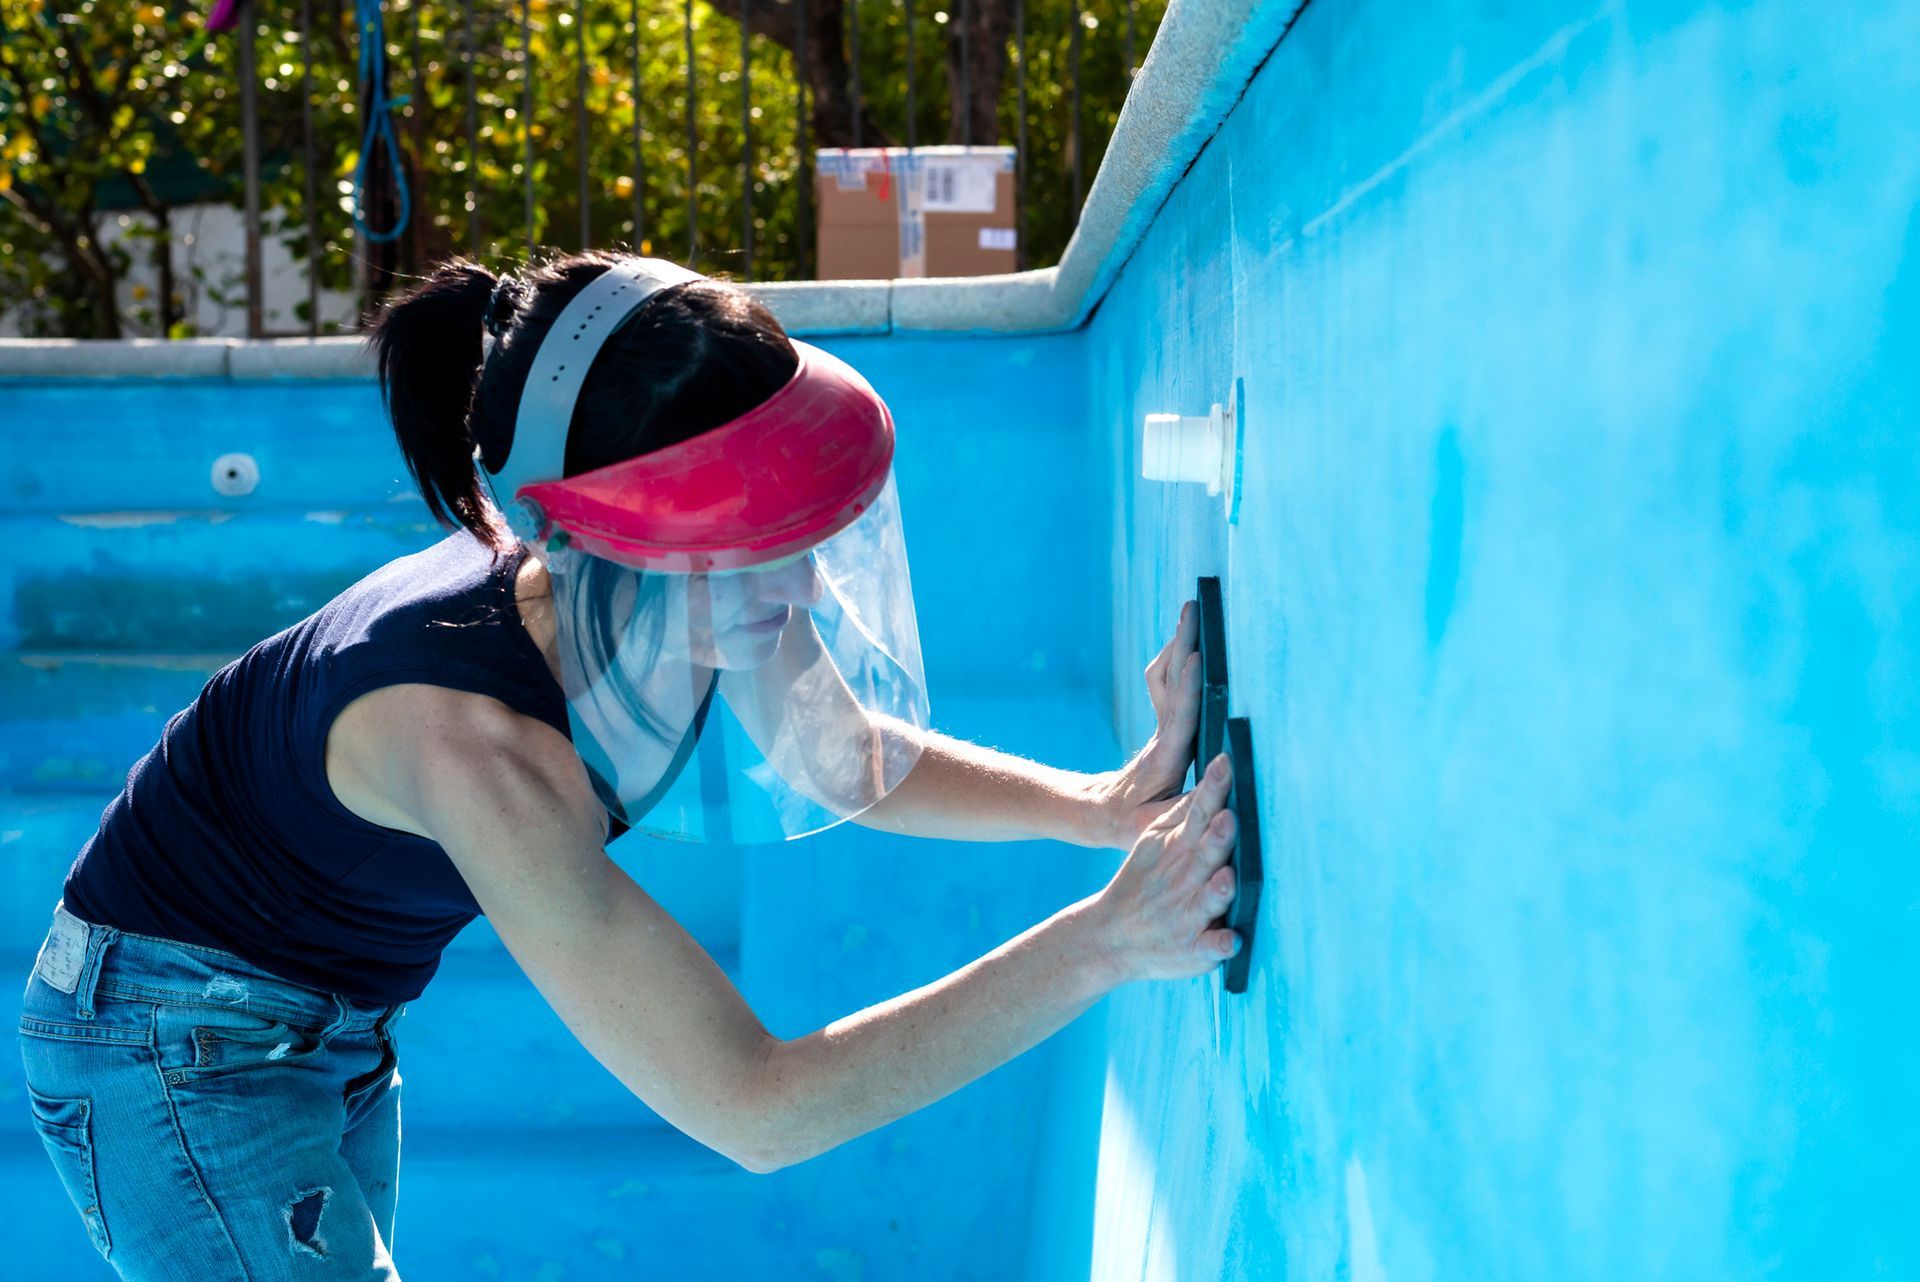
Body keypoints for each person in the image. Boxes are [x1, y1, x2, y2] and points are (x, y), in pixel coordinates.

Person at [16, 252, 1241, 1280]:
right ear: (582, 533)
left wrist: (1098, 803)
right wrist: (1108, 941)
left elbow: (838, 753)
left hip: (331, 1018)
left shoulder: (678, 575)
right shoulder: (473, 743)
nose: (802, 589)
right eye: (755, 550)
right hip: (167, 1041)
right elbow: (755, 1105)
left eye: (800, 539)